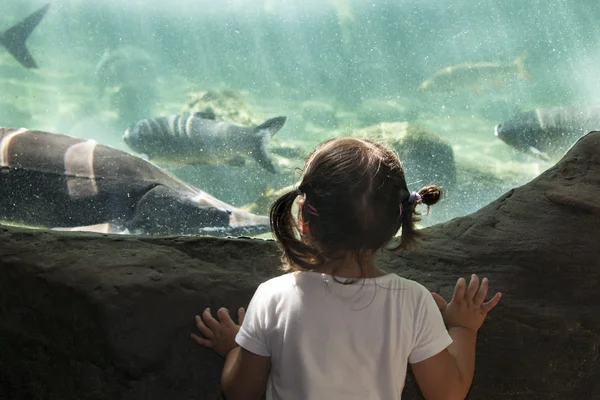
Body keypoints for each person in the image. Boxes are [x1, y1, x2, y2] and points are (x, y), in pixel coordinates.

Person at [191, 137, 502, 400]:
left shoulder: (273, 297)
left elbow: (240, 392)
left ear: (304, 220)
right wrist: (462, 327)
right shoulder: (413, 301)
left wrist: (235, 348)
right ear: (396, 222)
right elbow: (448, 393)